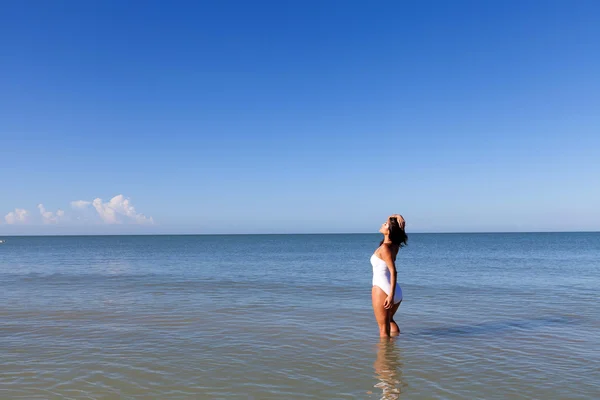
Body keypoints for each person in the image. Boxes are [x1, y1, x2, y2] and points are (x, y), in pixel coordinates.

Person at [371, 214, 408, 338]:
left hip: (384, 289)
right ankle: (394, 345)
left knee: (383, 329)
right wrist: (398, 216)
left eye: (385, 224)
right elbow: (398, 227)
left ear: (389, 231)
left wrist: (390, 296)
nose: (383, 224)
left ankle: (384, 356)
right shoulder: (394, 245)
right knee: (389, 320)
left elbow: (394, 271)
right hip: (394, 290)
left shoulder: (385, 248)